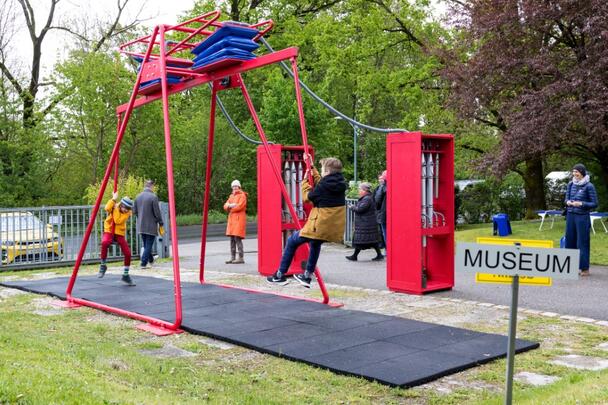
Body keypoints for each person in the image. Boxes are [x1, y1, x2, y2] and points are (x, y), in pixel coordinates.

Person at [267, 156, 347, 287]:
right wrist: (310, 166)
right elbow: (321, 182)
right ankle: (307, 276)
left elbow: (306, 198)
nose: (321, 172)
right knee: (315, 244)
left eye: (322, 169)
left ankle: (280, 274)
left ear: (327, 171)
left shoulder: (323, 187)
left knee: (292, 241)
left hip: (320, 225)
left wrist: (304, 181)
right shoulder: (340, 183)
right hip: (333, 227)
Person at [564, 163, 598, 276]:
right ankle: (570, 267)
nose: (575, 174)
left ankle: (584, 268)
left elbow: (594, 203)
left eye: (577, 172)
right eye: (573, 172)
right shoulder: (570, 184)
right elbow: (566, 199)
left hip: (582, 217)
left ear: (582, 173)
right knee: (570, 241)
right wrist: (568, 202)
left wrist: (581, 203)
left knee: (582, 242)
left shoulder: (589, 186)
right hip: (570, 216)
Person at [97, 192, 135, 285]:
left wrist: (116, 210)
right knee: (105, 242)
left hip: (119, 233)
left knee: (128, 253)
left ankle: (125, 275)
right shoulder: (114, 206)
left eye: (127, 209)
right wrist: (113, 199)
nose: (126, 210)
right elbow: (106, 208)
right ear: (121, 205)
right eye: (124, 208)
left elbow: (117, 221)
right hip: (109, 230)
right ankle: (103, 265)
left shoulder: (127, 213)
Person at [346, 182, 384, 261]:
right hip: (366, 223)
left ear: (365, 190)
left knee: (361, 240)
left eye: (360, 189)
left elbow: (360, 209)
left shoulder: (367, 199)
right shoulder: (367, 198)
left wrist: (352, 207)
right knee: (370, 241)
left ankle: (354, 256)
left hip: (366, 223)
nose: (359, 191)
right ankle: (379, 255)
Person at [134, 180, 164, 269]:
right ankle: (143, 263)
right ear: (151, 186)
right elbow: (157, 212)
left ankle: (151, 260)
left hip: (141, 225)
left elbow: (135, 211)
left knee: (147, 244)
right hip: (151, 225)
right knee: (149, 244)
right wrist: (161, 222)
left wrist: (140, 218)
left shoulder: (138, 196)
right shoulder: (153, 197)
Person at [223, 179, 248, 264]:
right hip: (232, 221)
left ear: (239, 186)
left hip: (238, 219)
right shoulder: (231, 196)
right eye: (233, 186)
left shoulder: (242, 195)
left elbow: (240, 206)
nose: (234, 187)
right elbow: (225, 205)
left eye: (236, 186)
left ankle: (241, 257)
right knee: (232, 239)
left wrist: (230, 207)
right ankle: (232, 257)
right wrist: (230, 205)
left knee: (237, 238)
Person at [373, 170, 387, 249]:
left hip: (383, 212)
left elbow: (377, 200)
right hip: (387, 212)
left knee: (384, 232)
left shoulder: (381, 188)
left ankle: (388, 249)